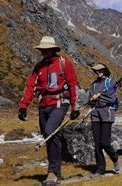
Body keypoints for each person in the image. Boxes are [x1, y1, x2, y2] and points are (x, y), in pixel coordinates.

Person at [18, 36, 80, 185]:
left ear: (53, 49)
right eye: (42, 50)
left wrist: (74, 107)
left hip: (60, 102)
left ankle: (52, 172)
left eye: (47, 49)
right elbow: (30, 87)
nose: (44, 52)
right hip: (43, 104)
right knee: (49, 134)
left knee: (51, 130)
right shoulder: (38, 67)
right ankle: (56, 171)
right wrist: (23, 106)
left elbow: (72, 84)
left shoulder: (64, 63)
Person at [87, 63, 121, 177]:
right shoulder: (93, 84)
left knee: (105, 142)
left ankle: (115, 158)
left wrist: (99, 97)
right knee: (97, 144)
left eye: (100, 70)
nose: (98, 72)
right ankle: (100, 169)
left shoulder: (110, 82)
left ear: (105, 71)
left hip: (107, 114)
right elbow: (90, 99)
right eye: (96, 70)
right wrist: (93, 99)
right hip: (95, 114)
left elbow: (112, 98)